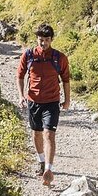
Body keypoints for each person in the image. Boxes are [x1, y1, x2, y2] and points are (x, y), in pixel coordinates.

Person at [17, 23, 71, 186]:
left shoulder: (59, 57)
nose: (43, 43)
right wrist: (21, 96)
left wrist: (67, 100)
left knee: (49, 134)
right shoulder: (28, 55)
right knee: (36, 133)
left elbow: (66, 79)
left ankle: (48, 168)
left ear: (51, 40)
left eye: (46, 40)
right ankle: (41, 161)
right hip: (33, 101)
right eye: (41, 40)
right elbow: (20, 76)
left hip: (52, 102)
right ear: (37, 39)